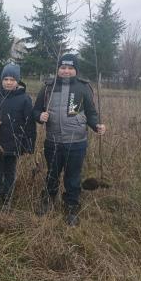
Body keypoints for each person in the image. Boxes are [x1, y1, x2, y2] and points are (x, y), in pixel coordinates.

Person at [33, 54, 106, 226]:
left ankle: (71, 206)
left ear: (76, 70)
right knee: (52, 174)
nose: (66, 71)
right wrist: (39, 116)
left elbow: (91, 114)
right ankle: (48, 201)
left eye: (70, 68)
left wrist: (97, 126)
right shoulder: (48, 87)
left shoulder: (83, 88)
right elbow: (36, 111)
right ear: (58, 69)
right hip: (53, 142)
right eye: (63, 68)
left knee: (72, 177)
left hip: (77, 143)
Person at [0, 63, 36, 210]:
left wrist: (29, 144)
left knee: (10, 171)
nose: (9, 82)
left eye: (12, 79)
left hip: (14, 144)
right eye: (6, 79)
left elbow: (29, 123)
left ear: (18, 81)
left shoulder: (25, 99)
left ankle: (7, 197)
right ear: (1, 80)